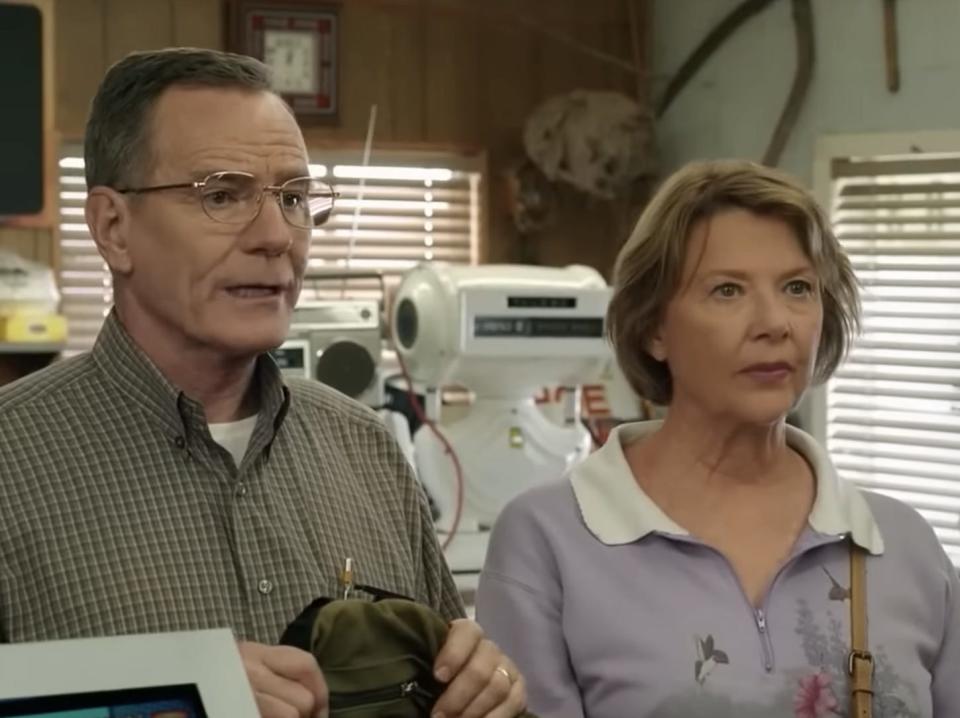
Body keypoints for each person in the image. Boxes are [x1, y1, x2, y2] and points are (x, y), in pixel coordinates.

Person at [0, 48, 526, 718]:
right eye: (222, 194)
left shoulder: (363, 447)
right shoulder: (10, 462)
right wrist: (165, 699)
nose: (277, 236)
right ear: (112, 227)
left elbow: (449, 675)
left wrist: (487, 688)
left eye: (295, 198)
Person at [475, 160, 959, 717]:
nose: (774, 322)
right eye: (727, 291)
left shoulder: (903, 547)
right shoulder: (549, 542)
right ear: (654, 328)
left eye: (798, 287)